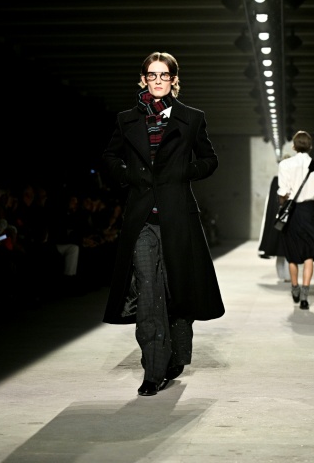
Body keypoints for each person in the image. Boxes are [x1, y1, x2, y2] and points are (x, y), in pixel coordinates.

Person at [102, 51, 225, 396]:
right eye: (152, 75)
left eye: (164, 75)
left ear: (174, 79)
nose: (158, 81)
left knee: (176, 288)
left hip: (178, 217)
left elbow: (209, 159)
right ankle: (153, 370)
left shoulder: (191, 118)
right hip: (142, 218)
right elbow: (109, 157)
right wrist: (128, 174)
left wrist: (185, 171)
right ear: (143, 80)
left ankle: (176, 356)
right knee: (147, 289)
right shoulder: (127, 119)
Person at [277, 130, 314, 310]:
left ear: (293, 145)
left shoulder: (285, 165)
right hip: (310, 212)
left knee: (292, 254)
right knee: (308, 255)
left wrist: (282, 207)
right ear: (310, 146)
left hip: (292, 212)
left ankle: (295, 288)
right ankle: (305, 297)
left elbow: (283, 193)